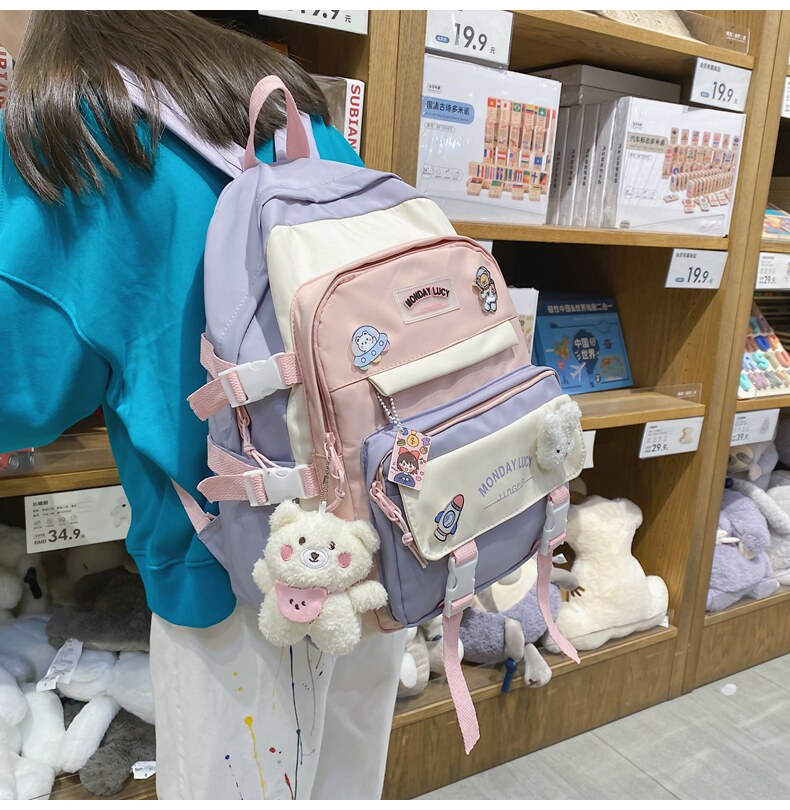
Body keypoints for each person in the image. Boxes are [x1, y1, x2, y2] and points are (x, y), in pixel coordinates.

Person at [0, 11, 404, 800]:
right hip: (376, 539)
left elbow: (23, 392)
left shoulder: (73, 127)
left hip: (233, 577)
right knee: (347, 783)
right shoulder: (293, 111)